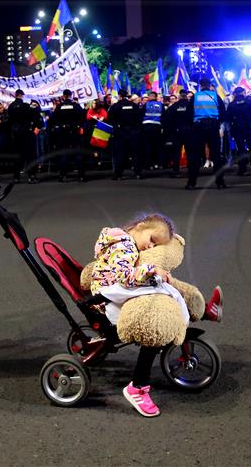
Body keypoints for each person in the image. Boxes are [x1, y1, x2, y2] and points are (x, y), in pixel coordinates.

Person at [89, 212, 222, 417]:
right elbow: (122, 276)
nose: (151, 247)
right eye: (152, 240)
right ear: (140, 226)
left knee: (167, 288)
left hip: (114, 291)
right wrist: (150, 270)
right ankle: (137, 388)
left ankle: (203, 310)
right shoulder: (122, 244)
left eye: (155, 245)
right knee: (155, 317)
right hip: (109, 297)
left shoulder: (126, 242)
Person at [185, 78, 226, 190]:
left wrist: (192, 125)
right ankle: (220, 182)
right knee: (216, 155)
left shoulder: (196, 97)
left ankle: (191, 183)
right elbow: (223, 112)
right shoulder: (215, 96)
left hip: (198, 127)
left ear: (200, 86)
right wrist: (218, 123)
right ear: (209, 85)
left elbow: (189, 113)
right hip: (213, 127)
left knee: (196, 156)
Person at [48, 89, 85, 182]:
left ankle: (63, 176)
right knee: (77, 152)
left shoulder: (59, 107)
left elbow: (53, 119)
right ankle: (81, 176)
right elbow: (83, 117)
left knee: (64, 153)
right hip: (74, 131)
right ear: (71, 95)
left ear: (63, 96)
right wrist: (80, 126)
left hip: (63, 132)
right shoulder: (76, 106)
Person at [7, 89, 42, 183]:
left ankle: (16, 177)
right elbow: (36, 114)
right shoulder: (27, 105)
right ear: (22, 95)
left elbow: (9, 120)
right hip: (28, 132)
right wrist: (37, 127)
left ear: (15, 95)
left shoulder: (11, 106)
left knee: (17, 155)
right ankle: (31, 176)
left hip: (16, 133)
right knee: (30, 154)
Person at [107, 89, 142, 179]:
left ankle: (118, 174)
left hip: (121, 132)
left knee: (120, 154)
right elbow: (139, 119)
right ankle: (138, 173)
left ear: (119, 96)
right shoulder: (134, 106)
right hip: (133, 132)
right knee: (135, 153)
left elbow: (110, 119)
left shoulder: (116, 106)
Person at [226, 87, 251, 176]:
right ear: (243, 93)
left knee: (241, 149)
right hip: (249, 127)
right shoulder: (249, 102)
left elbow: (228, 118)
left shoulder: (232, 104)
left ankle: (242, 169)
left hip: (237, 129)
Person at [161, 89, 191, 177]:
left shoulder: (173, 107)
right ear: (186, 96)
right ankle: (191, 171)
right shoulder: (191, 106)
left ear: (179, 97)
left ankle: (176, 171)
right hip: (189, 131)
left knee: (176, 152)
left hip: (176, 132)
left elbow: (167, 120)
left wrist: (169, 132)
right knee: (190, 151)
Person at [140, 91, 164, 175]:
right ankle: (158, 163)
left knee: (147, 146)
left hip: (146, 127)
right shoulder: (161, 105)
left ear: (151, 96)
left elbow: (141, 115)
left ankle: (148, 164)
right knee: (157, 146)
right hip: (157, 127)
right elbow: (163, 116)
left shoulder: (145, 105)